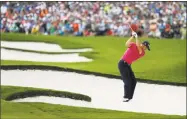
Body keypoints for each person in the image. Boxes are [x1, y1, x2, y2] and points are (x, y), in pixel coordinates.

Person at [118, 31, 150, 102]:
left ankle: (130, 97)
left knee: (134, 81)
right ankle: (125, 97)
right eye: (146, 47)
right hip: (122, 64)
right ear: (144, 45)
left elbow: (138, 46)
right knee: (128, 81)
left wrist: (136, 37)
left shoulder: (142, 53)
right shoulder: (133, 45)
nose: (146, 49)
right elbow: (126, 44)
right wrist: (132, 36)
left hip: (128, 65)